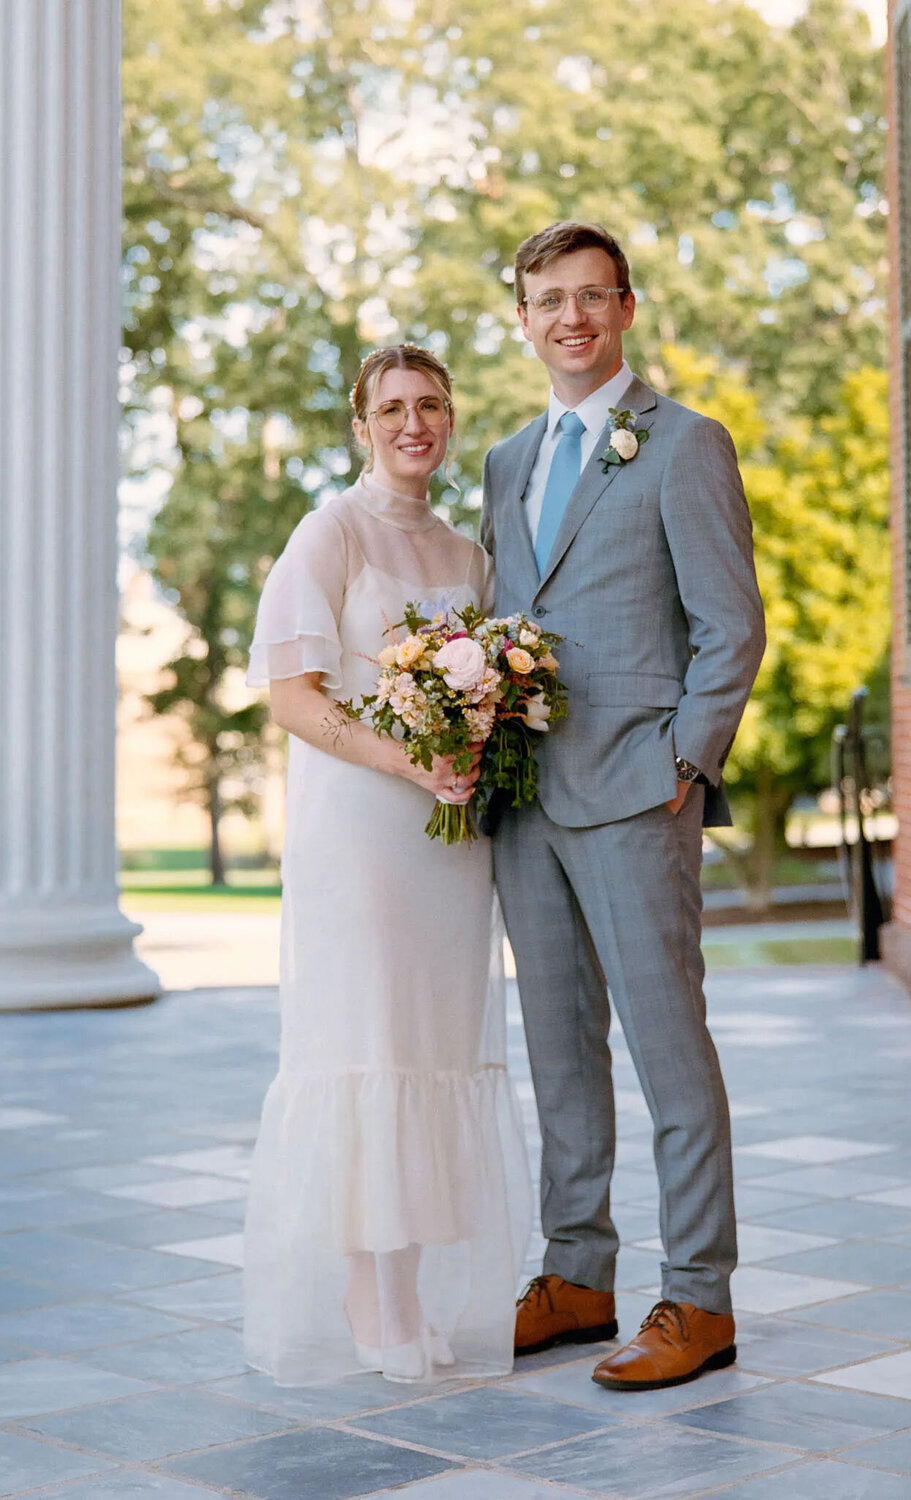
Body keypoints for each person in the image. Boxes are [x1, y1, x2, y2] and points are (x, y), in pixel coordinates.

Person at [481, 222, 765, 1392]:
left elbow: (730, 624)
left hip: (638, 795)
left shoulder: (684, 444)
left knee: (668, 1054)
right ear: (524, 319)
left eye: (591, 296)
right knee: (559, 1055)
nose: (571, 318)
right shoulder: (505, 459)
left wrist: (683, 766)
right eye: (549, 299)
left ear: (627, 308)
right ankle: (579, 1275)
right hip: (524, 805)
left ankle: (698, 1299)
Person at [243, 345, 530, 1386]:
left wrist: (472, 745)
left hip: (447, 847)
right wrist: (409, 757)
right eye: (394, 407)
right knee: (367, 1043)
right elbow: (291, 694)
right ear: (361, 425)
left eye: (432, 405)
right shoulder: (330, 532)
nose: (416, 422)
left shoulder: (468, 552)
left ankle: (410, 1288)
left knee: (433, 1047)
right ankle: (372, 1297)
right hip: (361, 832)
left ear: (450, 420)